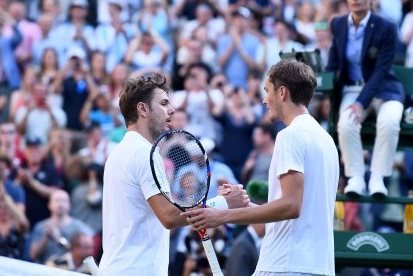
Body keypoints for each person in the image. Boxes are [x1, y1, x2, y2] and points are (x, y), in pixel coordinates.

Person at [182, 59, 340, 276]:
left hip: (286, 265)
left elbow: (291, 207)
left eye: (267, 90)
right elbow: (295, 213)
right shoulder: (326, 139)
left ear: (282, 92)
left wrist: (221, 217)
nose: (265, 99)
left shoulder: (290, 135)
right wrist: (244, 207)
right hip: (316, 267)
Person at [99, 74, 249, 275]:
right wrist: (223, 203)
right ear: (142, 109)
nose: (172, 110)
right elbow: (168, 216)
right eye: (163, 104)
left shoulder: (121, 151)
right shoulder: (143, 153)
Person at [326, 0, 405, 198]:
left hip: (384, 89)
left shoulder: (386, 27)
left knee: (390, 121)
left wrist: (361, 102)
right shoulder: (338, 24)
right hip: (352, 90)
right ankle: (356, 178)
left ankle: (377, 177)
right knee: (345, 123)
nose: (356, 0)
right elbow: (333, 63)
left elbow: (380, 72)